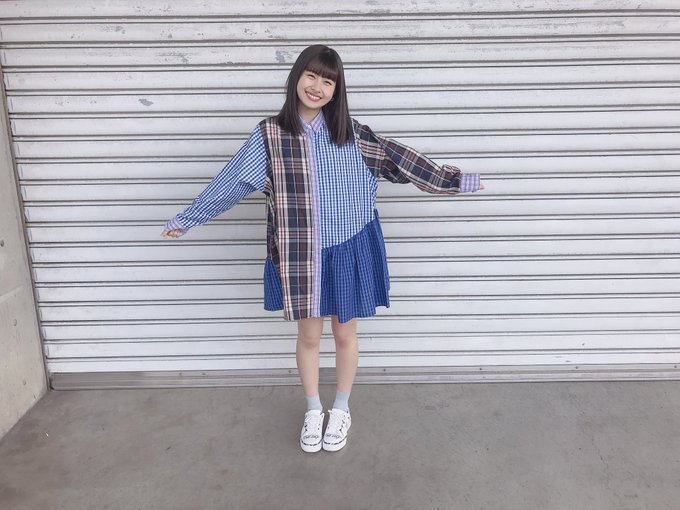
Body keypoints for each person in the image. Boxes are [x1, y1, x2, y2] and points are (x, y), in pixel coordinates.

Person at [161, 44, 484, 453]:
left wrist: (455, 180)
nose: (317, 87)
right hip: (302, 251)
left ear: (336, 89)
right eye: (311, 76)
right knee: (309, 336)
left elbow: (403, 162)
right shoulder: (270, 136)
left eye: (327, 81)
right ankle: (314, 409)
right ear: (296, 77)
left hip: (349, 248)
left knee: (345, 333)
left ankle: (342, 408)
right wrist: (188, 219)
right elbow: (232, 182)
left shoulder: (354, 136)